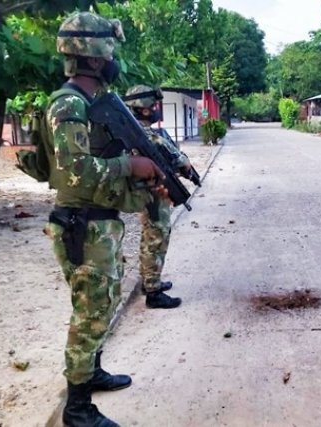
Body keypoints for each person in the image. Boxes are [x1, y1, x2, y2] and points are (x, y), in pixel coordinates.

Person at [45, 12, 166, 427]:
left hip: (98, 223)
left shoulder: (90, 106)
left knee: (102, 306)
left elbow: (99, 171)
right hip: (82, 224)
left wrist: (144, 182)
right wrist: (130, 165)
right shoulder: (69, 104)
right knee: (89, 314)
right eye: (110, 50)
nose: (115, 60)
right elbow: (77, 171)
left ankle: (91, 373)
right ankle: (77, 411)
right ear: (95, 56)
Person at [123, 85, 193, 310]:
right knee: (157, 236)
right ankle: (153, 292)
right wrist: (186, 165)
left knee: (149, 235)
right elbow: (176, 158)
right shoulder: (144, 133)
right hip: (152, 193)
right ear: (142, 109)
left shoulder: (131, 132)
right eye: (153, 106)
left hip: (146, 191)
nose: (156, 110)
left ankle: (149, 281)